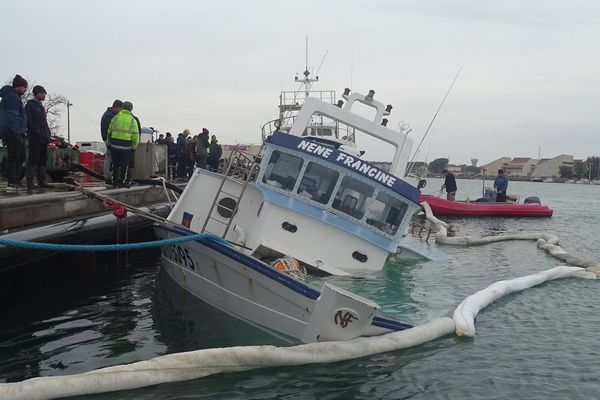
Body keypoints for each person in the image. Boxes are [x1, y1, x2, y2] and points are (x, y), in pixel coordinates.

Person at [0, 75, 28, 192]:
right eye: (25, 87)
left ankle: (15, 181)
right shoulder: (12, 98)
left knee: (20, 156)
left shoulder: (12, 97)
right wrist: (17, 132)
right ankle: (12, 182)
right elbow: (13, 116)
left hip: (14, 131)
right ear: (19, 87)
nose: (26, 90)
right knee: (14, 157)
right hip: (13, 132)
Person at [24, 85, 51, 189]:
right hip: (35, 138)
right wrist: (36, 131)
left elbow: (44, 122)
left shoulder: (41, 107)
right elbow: (28, 121)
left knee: (43, 159)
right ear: (37, 94)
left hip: (43, 137)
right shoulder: (30, 106)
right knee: (33, 158)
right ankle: (30, 181)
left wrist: (47, 133)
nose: (44, 95)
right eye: (42, 93)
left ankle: (42, 180)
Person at [107, 101, 139, 188]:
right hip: (126, 146)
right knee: (124, 165)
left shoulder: (115, 118)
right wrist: (134, 147)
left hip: (114, 145)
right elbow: (135, 135)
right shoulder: (133, 120)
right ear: (131, 109)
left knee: (115, 164)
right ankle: (122, 182)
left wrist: (109, 142)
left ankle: (115, 182)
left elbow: (109, 131)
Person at [100, 100, 123, 184]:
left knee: (111, 157)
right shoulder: (109, 116)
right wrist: (108, 142)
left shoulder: (109, 114)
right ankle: (108, 177)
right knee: (109, 157)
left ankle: (109, 176)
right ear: (117, 107)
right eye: (121, 109)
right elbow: (108, 130)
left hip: (109, 139)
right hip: (110, 140)